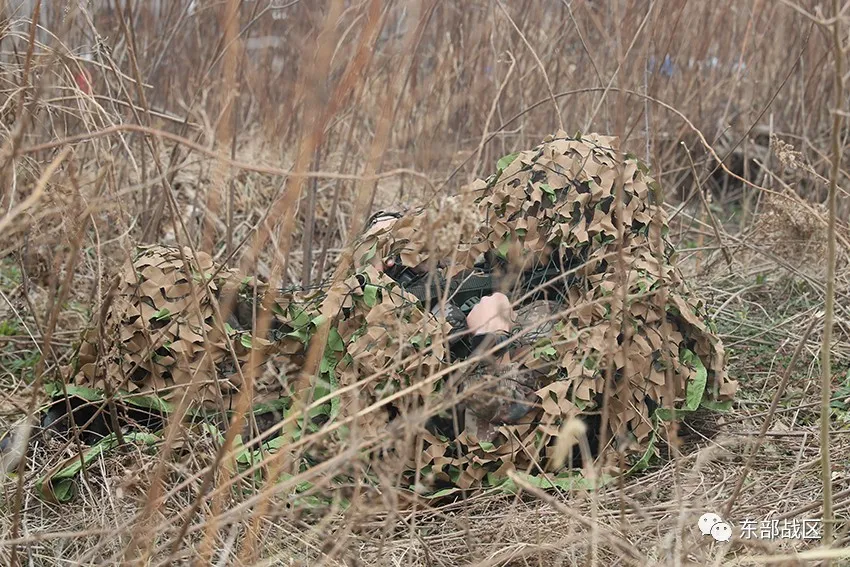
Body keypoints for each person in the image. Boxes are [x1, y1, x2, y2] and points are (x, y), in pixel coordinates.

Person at [62, 131, 737, 490]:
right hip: (331, 341)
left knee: (195, 345)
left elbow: (518, 437)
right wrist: (395, 240)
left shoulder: (609, 327)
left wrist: (484, 341)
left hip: (346, 397)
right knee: (159, 276)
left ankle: (122, 409)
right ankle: (128, 394)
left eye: (529, 218)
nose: (510, 230)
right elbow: (424, 264)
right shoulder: (519, 268)